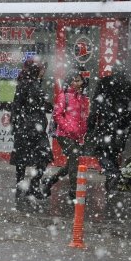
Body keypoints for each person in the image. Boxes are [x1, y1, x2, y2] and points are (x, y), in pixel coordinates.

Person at [86, 72, 131, 192]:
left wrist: (90, 127)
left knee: (100, 151)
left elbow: (95, 109)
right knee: (113, 154)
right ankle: (111, 185)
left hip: (107, 126)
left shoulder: (104, 86)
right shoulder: (130, 89)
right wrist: (128, 127)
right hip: (122, 128)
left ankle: (113, 174)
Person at [9, 56, 53, 200]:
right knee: (26, 158)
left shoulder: (35, 83)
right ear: (36, 70)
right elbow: (17, 106)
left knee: (41, 156)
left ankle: (30, 187)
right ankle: (24, 187)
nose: (44, 71)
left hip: (35, 128)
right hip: (28, 127)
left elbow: (32, 105)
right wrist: (18, 124)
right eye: (42, 69)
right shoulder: (26, 84)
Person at [42, 70, 89, 198]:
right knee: (74, 159)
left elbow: (83, 116)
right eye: (76, 80)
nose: (79, 82)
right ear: (70, 81)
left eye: (80, 80)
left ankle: (50, 181)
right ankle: (74, 192)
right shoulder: (64, 96)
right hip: (64, 135)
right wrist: (69, 128)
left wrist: (82, 131)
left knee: (70, 165)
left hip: (76, 136)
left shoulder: (82, 98)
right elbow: (57, 115)